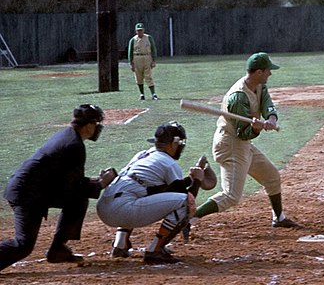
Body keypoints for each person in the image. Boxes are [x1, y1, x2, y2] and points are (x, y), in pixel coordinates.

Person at [0, 105, 116, 271]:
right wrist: (100, 184)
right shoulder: (74, 145)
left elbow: (68, 180)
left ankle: (58, 250)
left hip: (39, 190)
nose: (98, 128)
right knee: (23, 245)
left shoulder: (68, 136)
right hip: (27, 194)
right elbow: (72, 187)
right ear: (89, 125)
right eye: (97, 123)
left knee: (78, 200)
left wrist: (94, 181)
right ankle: (57, 249)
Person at [193, 52, 301, 229]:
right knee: (231, 196)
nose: (270, 74)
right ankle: (190, 217)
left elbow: (267, 103)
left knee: (272, 177)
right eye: (268, 71)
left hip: (242, 144)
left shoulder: (259, 85)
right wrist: (255, 128)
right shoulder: (238, 97)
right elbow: (242, 133)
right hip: (230, 145)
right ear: (259, 72)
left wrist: (271, 118)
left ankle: (279, 218)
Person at [96, 121, 215, 265]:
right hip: (123, 210)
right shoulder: (169, 163)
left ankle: (120, 246)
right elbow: (187, 200)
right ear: (173, 144)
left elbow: (163, 190)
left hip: (103, 207)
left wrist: (190, 179)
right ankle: (155, 250)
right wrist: (197, 181)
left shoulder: (143, 155)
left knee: (136, 193)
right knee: (184, 204)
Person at [128, 22, 158, 101]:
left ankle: (153, 94)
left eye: (141, 30)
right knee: (138, 76)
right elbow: (130, 51)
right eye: (138, 30)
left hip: (147, 56)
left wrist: (154, 60)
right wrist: (131, 62)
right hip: (137, 57)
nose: (140, 32)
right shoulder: (133, 40)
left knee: (148, 76)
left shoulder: (148, 38)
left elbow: (153, 49)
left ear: (143, 30)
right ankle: (142, 94)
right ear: (136, 31)